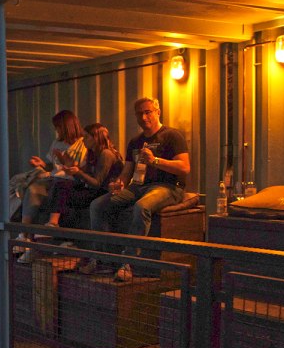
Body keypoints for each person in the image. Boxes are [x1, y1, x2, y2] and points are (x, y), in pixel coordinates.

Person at [81, 97, 190, 281]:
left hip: (168, 187)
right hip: (139, 186)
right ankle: (103, 259)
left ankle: (128, 262)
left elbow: (185, 167)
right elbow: (127, 172)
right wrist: (119, 184)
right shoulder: (135, 141)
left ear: (158, 112)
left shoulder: (172, 135)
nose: (144, 117)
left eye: (148, 112)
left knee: (141, 206)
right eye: (139, 113)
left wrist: (156, 161)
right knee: (97, 205)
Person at [19, 123, 123, 262]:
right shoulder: (92, 154)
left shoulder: (106, 154)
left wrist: (78, 172)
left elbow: (97, 183)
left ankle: (54, 231)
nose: (83, 139)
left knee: (64, 194)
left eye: (86, 137)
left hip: (103, 192)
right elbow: (82, 173)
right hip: (92, 189)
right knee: (61, 186)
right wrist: (71, 168)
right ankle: (54, 227)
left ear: (96, 137)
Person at [15, 110, 87, 244]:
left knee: (57, 186)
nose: (57, 131)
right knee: (33, 189)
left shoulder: (83, 144)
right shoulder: (57, 142)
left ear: (66, 127)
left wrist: (63, 158)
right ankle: (23, 233)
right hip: (53, 177)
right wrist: (42, 164)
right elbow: (53, 166)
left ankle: (52, 225)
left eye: (58, 127)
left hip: (69, 180)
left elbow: (78, 168)